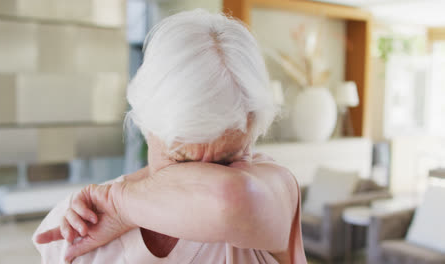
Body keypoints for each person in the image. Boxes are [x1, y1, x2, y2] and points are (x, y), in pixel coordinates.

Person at [33, 9, 307, 264]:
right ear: (146, 124)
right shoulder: (74, 228)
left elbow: (229, 198)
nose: (201, 178)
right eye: (182, 162)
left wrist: (121, 206)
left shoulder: (275, 190)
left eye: (226, 163)